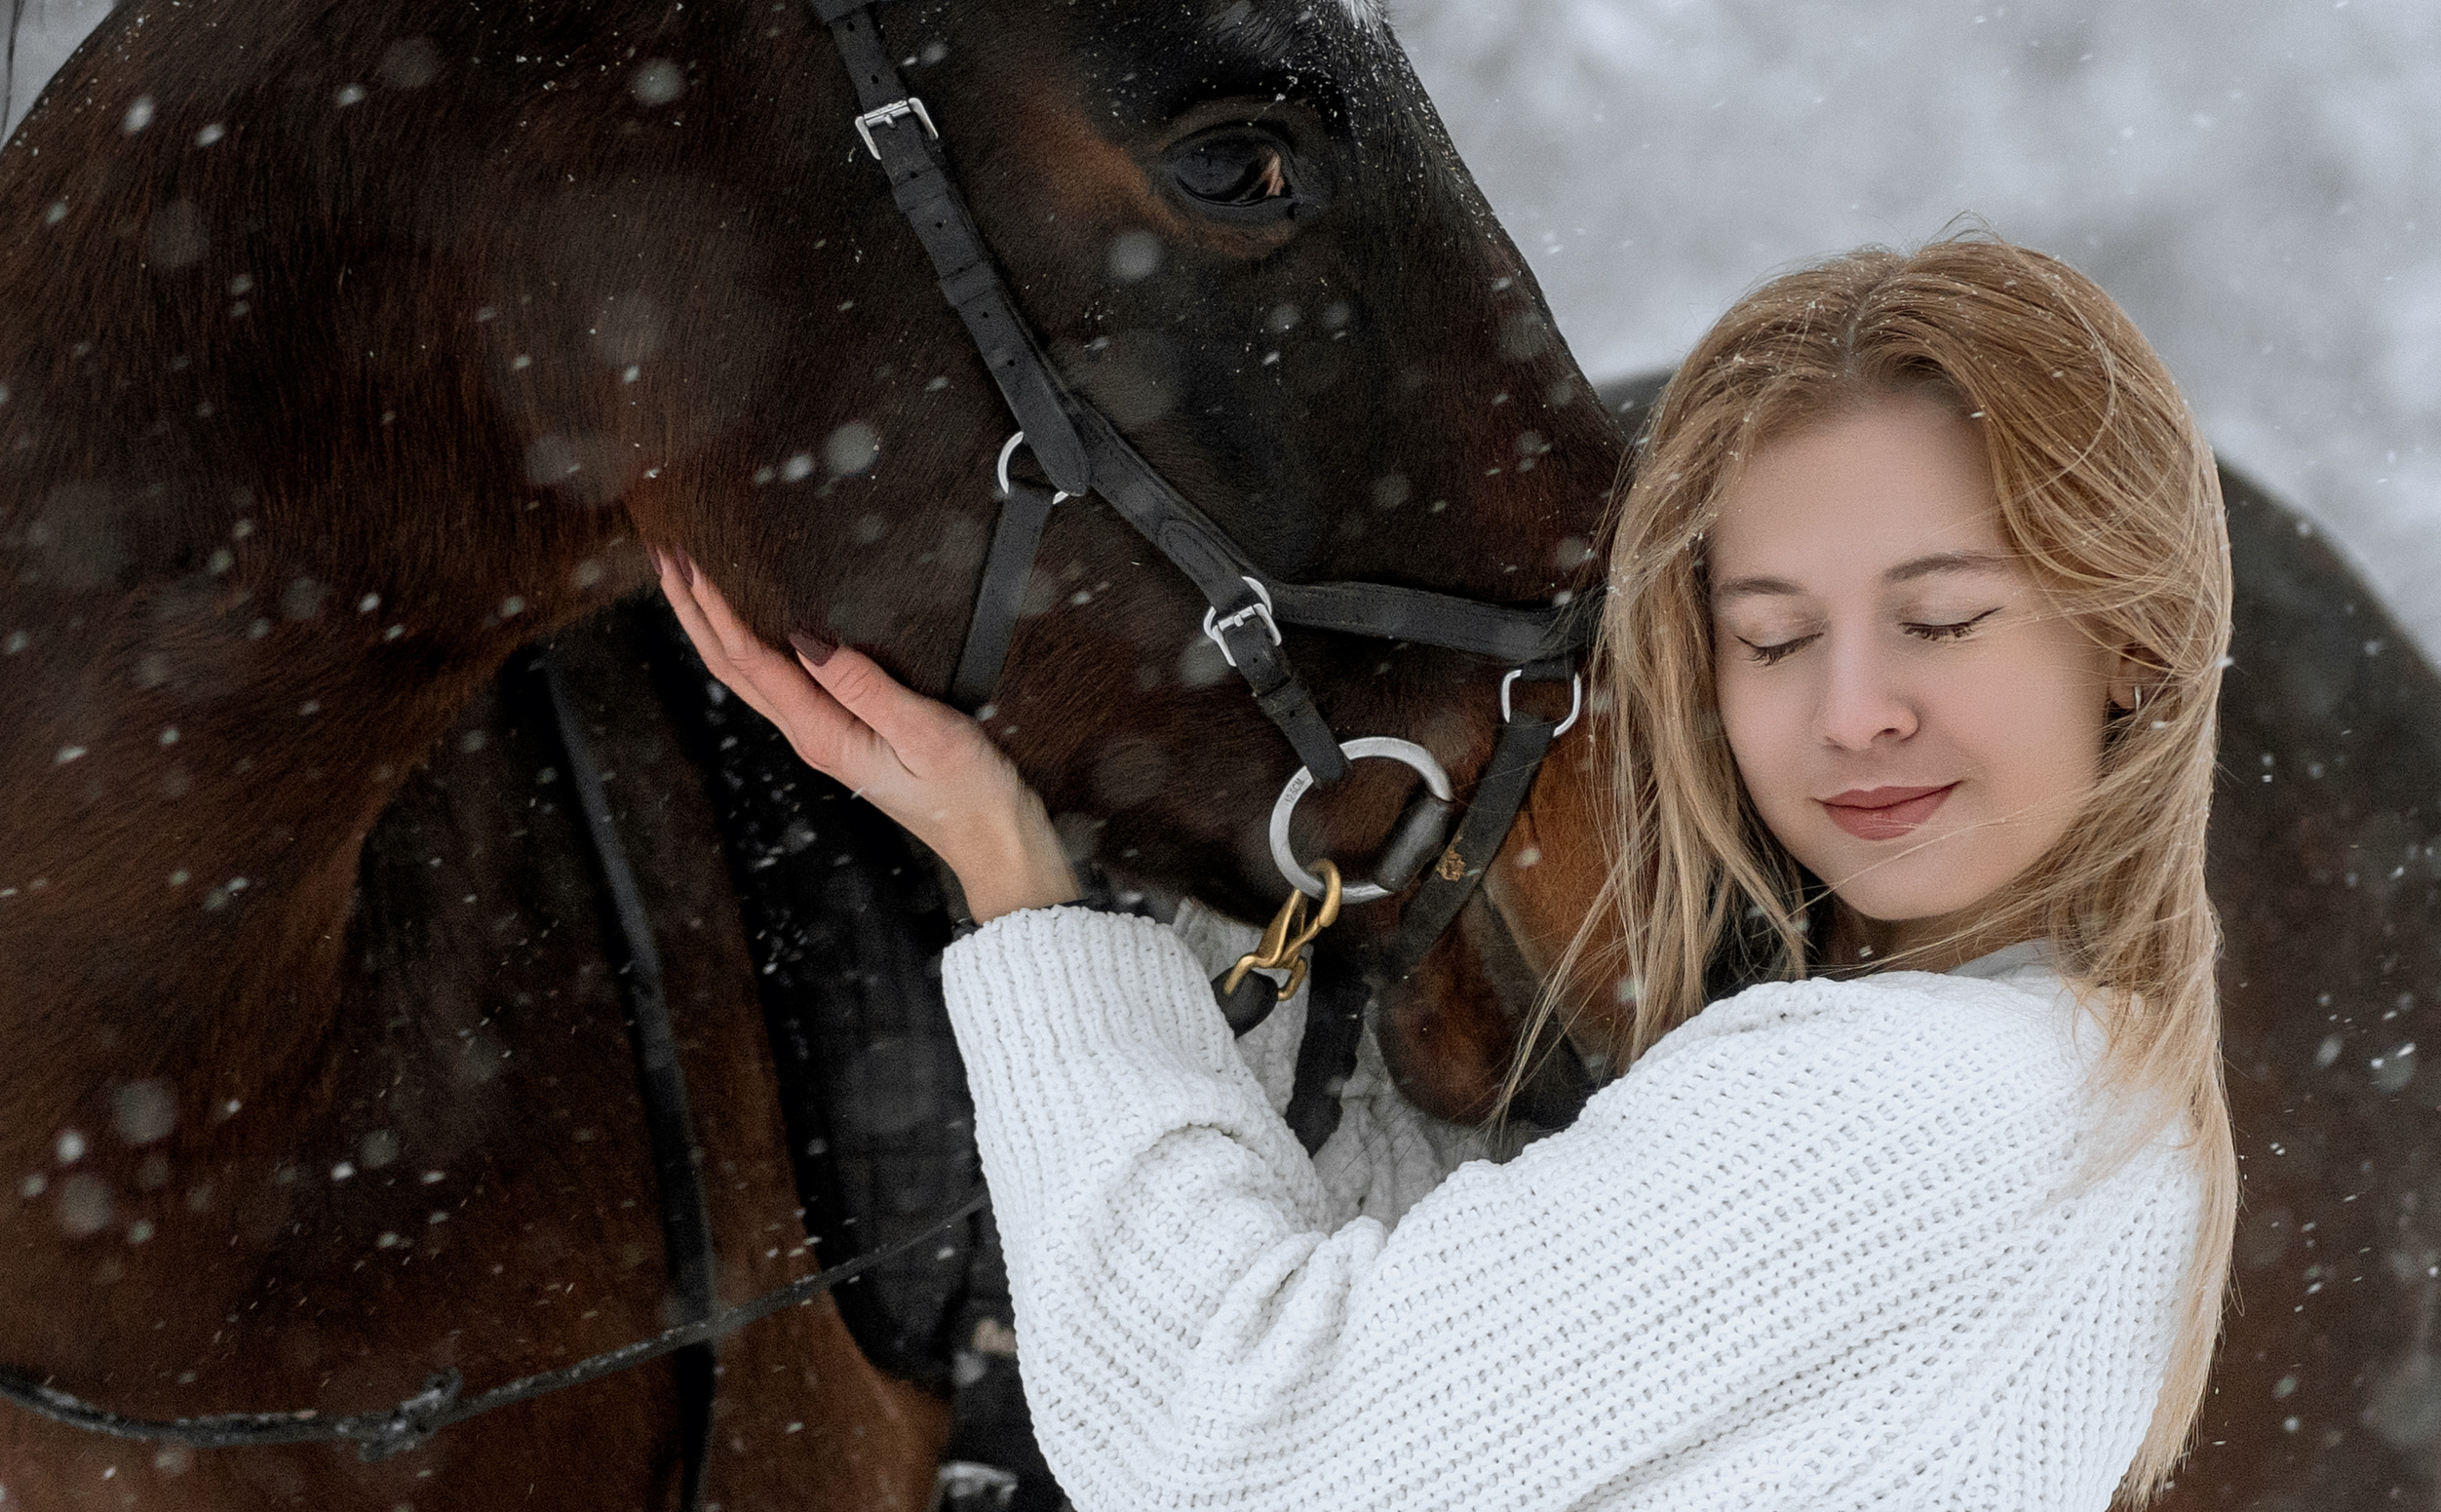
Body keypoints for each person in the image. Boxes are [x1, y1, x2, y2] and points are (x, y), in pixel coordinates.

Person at [656, 236, 2235, 1510]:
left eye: (1943, 617)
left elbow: (1225, 1452)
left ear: (2134, 639)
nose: (1852, 711)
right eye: (1771, 636)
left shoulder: (1932, 1099)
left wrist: (1010, 877)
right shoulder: (2067, 1095)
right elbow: (1423, 1306)